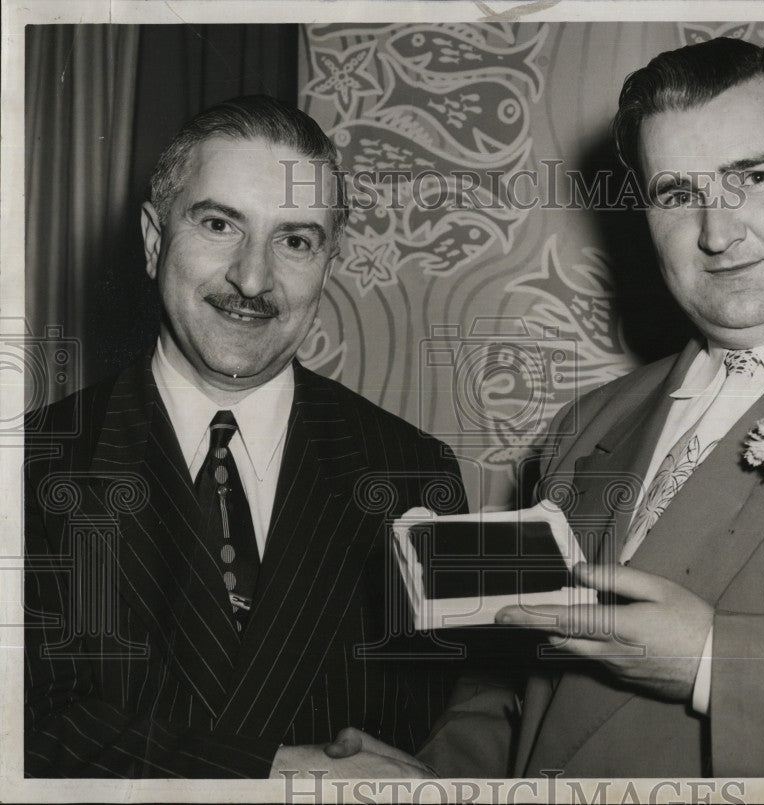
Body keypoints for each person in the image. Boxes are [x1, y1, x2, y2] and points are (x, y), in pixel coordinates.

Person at [414, 37, 764, 777]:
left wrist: (715, 660)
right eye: (678, 195)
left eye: (752, 175)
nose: (717, 232)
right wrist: (427, 780)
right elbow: (515, 686)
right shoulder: (587, 425)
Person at [23, 95, 465, 778]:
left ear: (327, 264)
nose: (253, 279)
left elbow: (451, 727)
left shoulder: (412, 473)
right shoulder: (27, 467)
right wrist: (272, 771)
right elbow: (24, 731)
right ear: (152, 240)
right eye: (220, 224)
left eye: (294, 240)